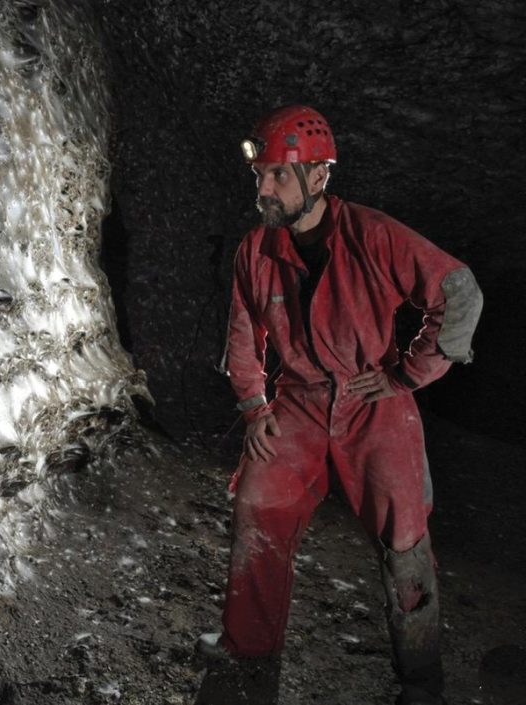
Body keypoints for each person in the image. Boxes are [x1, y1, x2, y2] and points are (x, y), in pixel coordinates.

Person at [195, 105, 483, 705]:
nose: (264, 189)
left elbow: (457, 291)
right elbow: (244, 332)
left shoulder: (372, 234)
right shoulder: (257, 248)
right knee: (258, 503)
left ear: (320, 176)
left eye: (279, 175)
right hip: (297, 402)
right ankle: (248, 659)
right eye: (261, 175)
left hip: (371, 402)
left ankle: (421, 684)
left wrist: (409, 374)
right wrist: (254, 406)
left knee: (405, 538)